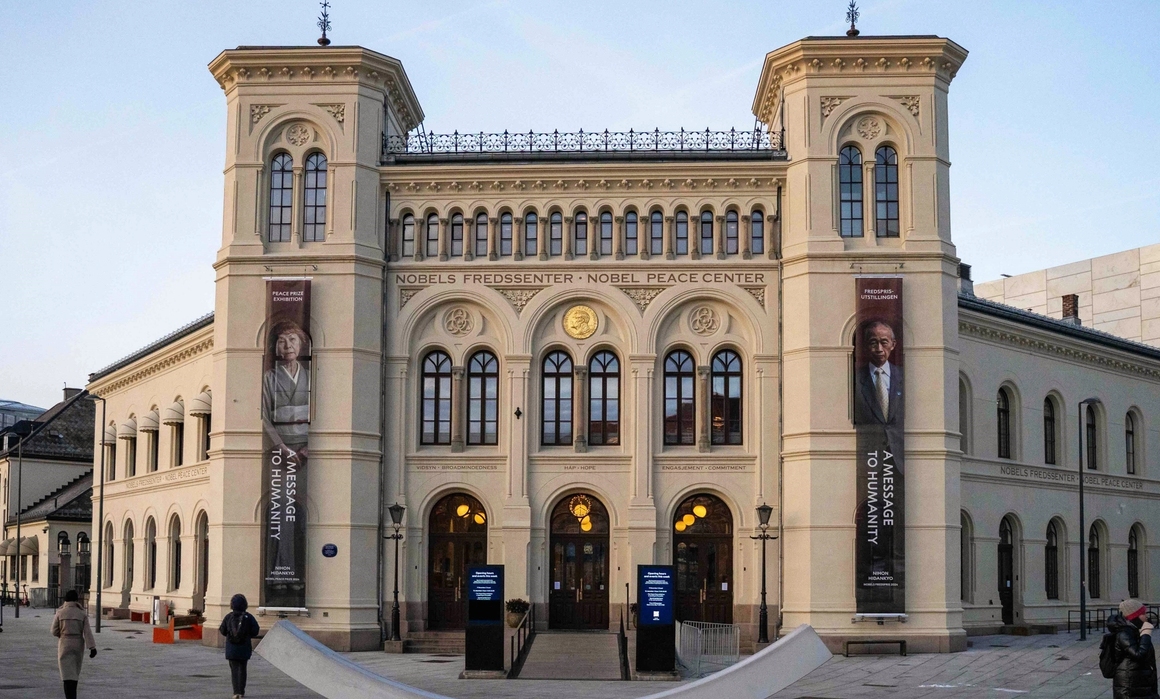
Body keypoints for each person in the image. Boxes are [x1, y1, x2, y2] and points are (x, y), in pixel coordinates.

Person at [854, 319, 905, 456]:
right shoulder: (854, 379)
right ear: (865, 346)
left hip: (901, 458)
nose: (879, 349)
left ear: (893, 345)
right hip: (868, 458)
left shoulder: (905, 377)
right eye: (873, 343)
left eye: (884, 342)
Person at [1101, 599, 1158, 699]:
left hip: (1139, 683)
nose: (1147, 616)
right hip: (1130, 686)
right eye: (1143, 613)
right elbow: (1138, 654)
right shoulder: (1124, 633)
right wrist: (1146, 634)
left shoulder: (1134, 630)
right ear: (1134, 616)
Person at [51, 589, 96, 699]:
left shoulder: (60, 612)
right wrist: (92, 647)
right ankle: (73, 696)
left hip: (64, 643)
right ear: (76, 600)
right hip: (77, 643)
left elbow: (53, 630)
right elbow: (87, 632)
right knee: (75, 673)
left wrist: (62, 635)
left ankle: (68, 696)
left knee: (66, 674)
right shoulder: (81, 613)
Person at [219, 593, 261, 699]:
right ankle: (241, 692)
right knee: (242, 669)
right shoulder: (248, 617)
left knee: (234, 670)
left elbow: (222, 630)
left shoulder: (228, 617)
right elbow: (255, 631)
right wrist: (246, 636)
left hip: (231, 648)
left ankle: (236, 692)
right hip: (244, 647)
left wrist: (231, 636)